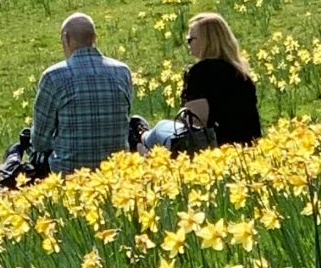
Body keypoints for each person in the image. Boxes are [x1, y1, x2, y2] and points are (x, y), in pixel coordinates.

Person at [27, 12, 134, 174]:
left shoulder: (53, 76)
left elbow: (40, 142)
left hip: (70, 175)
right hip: (115, 172)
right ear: (95, 38)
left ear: (66, 38)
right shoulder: (122, 72)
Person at [140, 11, 262, 150]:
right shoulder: (240, 72)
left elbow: (195, 122)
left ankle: (140, 137)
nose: (187, 43)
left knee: (159, 129)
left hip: (216, 149)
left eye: (191, 39)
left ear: (207, 40)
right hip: (249, 147)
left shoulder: (201, 71)